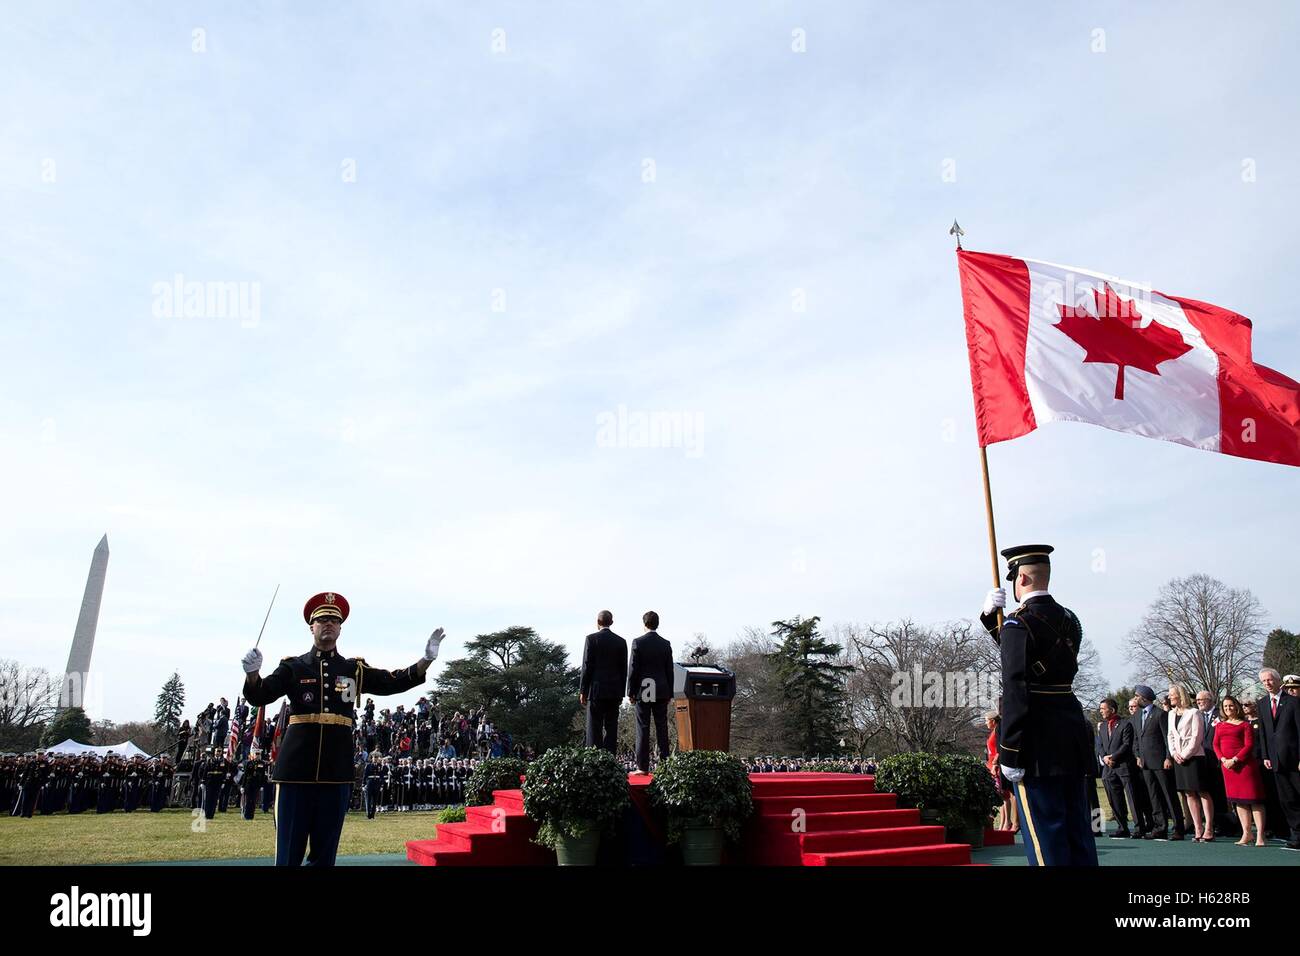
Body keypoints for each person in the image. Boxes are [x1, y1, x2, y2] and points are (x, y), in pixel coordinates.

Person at [241, 590, 446, 866]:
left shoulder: (353, 669)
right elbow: (260, 695)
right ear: (311, 627)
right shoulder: (293, 667)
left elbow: (391, 681)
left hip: (335, 771)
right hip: (295, 772)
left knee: (325, 855)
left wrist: (426, 661)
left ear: (340, 628)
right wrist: (253, 674)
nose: (328, 624)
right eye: (322, 619)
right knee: (288, 852)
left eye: (334, 621)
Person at [978, 543, 1097, 866]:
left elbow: (1016, 687)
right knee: (1077, 831)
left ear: (1022, 580)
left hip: (1036, 742)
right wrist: (991, 619)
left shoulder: (1018, 624)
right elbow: (1035, 658)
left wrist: (1011, 750)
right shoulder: (1070, 619)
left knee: (1046, 836)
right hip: (1071, 735)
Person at [1132, 684, 1186, 841]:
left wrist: (1168, 757)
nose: (1135, 699)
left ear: (1144, 698)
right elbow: (1136, 738)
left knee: (1168, 795)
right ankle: (1160, 827)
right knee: (1154, 796)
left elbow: (1166, 737)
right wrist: (1137, 755)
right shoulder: (1136, 716)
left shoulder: (1160, 714)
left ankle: (1178, 828)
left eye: (1137, 696)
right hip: (1145, 763)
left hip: (1161, 761)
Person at [1255, 667, 1300, 850]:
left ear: (1278, 680)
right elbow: (1264, 733)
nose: (1267, 683)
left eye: (1270, 680)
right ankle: (1296, 834)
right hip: (1275, 760)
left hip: (1293, 758)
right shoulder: (1263, 703)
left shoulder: (1293, 702)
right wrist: (1266, 755)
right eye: (1264, 681)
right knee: (1287, 799)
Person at [1213, 695, 1267, 846]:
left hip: (1245, 767)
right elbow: (1215, 745)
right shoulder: (1219, 726)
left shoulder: (1245, 725)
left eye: (1231, 705)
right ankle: (1246, 833)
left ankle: (1260, 836)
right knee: (1239, 801)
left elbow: (1249, 745)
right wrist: (1223, 760)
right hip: (1228, 768)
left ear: (1236, 706)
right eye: (1225, 707)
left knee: (1254, 800)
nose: (1228, 709)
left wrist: (1235, 759)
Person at [627, 610, 674, 774]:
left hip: (645, 687)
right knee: (662, 727)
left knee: (643, 727)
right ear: (657, 623)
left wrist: (630, 692)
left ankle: (642, 767)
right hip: (661, 688)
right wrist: (670, 693)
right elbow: (670, 670)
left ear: (644, 624)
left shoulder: (638, 642)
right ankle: (665, 764)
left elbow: (633, 669)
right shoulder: (665, 643)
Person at [1166, 684, 1213, 842]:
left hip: (1194, 757)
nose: (1169, 697)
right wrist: (1174, 754)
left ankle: (1208, 828)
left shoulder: (1194, 713)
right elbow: (1170, 735)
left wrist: (1185, 754)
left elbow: (1196, 737)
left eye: (1172, 694)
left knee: (1202, 792)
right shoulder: (1171, 714)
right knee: (1188, 793)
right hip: (1179, 757)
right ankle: (1197, 828)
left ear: (1180, 695)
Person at [579, 610, 627, 754]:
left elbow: (587, 666)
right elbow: (623, 669)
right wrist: (621, 693)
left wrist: (583, 690)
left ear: (598, 622)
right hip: (614, 691)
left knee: (594, 727)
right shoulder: (620, 641)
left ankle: (594, 757)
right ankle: (610, 758)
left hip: (596, 690)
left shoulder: (591, 639)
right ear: (611, 622)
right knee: (611, 727)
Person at [1096, 698, 1137, 838]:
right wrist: (1106, 758)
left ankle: (1139, 827)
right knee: (1114, 799)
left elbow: (1126, 744)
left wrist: (1113, 757)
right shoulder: (1101, 726)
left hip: (1123, 766)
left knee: (1132, 797)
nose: (1101, 711)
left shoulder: (1125, 724)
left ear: (1112, 709)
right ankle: (1122, 827)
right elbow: (1099, 746)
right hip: (1108, 769)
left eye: (1103, 708)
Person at [985, 712, 1017, 832]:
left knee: (1004, 795)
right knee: (1001, 796)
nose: (985, 723)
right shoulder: (993, 732)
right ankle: (1003, 822)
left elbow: (999, 749)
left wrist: (995, 764)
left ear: (993, 720)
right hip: (992, 765)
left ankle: (1008, 822)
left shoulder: (998, 731)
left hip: (996, 766)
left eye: (987, 720)